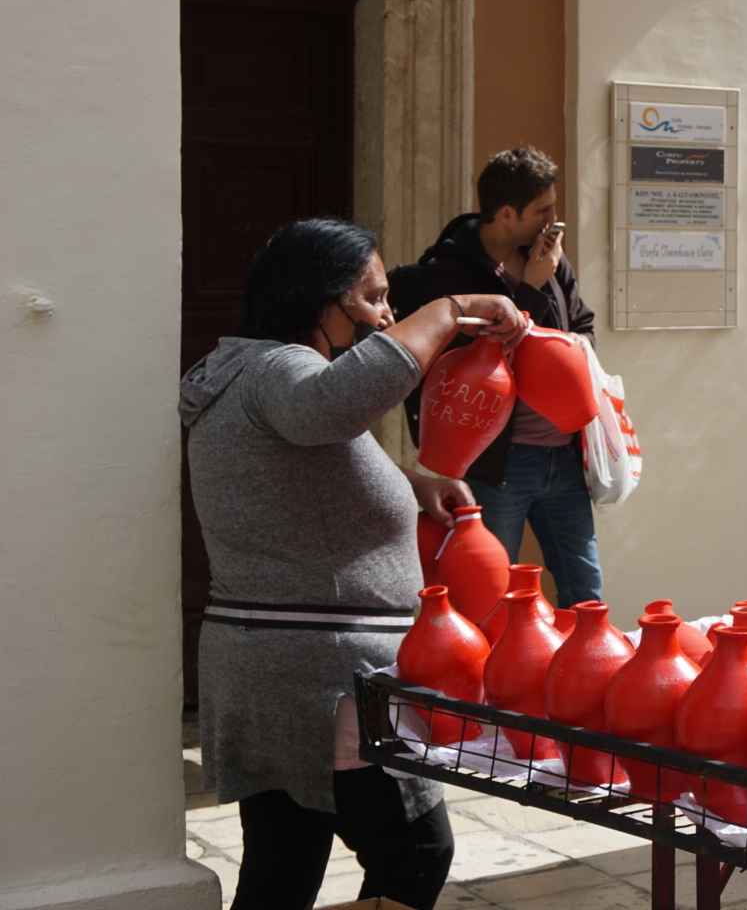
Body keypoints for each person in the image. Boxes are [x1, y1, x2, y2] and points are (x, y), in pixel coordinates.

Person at [180, 218, 524, 910]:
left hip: (268, 669)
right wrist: (448, 311)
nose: (386, 314)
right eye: (372, 298)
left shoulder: (240, 373)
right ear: (320, 300)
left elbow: (296, 468)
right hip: (324, 679)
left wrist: (408, 482)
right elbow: (331, 407)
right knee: (418, 853)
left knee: (282, 866)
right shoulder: (283, 370)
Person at [389, 146, 601, 607]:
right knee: (489, 597)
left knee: (586, 594)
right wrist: (532, 289)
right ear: (507, 213)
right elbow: (480, 367)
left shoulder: (549, 258)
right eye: (543, 209)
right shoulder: (451, 275)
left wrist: (574, 343)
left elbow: (583, 329)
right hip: (500, 463)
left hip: (563, 456)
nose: (553, 218)